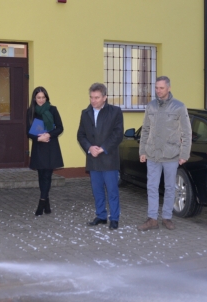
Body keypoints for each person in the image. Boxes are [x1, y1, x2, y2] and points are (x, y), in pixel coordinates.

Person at [137, 76, 192, 231]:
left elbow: (187, 132)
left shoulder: (179, 107)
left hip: (171, 155)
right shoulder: (151, 106)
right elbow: (145, 130)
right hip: (152, 154)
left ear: (169, 88)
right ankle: (152, 219)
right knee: (152, 187)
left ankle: (167, 217)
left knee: (170, 188)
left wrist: (184, 154)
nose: (158, 91)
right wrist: (142, 151)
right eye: (156, 88)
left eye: (161, 88)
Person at [77, 82, 124, 229]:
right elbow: (81, 135)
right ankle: (101, 216)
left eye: (97, 97)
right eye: (91, 97)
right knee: (97, 190)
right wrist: (89, 148)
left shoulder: (115, 112)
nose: (93, 100)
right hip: (93, 158)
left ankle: (114, 218)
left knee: (112, 191)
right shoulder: (85, 113)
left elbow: (118, 134)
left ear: (105, 97)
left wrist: (103, 148)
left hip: (109, 158)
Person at [27, 86, 64, 216]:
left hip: (50, 146)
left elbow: (60, 128)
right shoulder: (30, 111)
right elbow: (28, 131)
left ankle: (41, 203)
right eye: (38, 97)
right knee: (41, 176)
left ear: (47, 98)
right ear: (34, 98)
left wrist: (48, 135)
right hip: (38, 147)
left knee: (47, 175)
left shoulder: (53, 110)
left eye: (43, 97)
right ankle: (46, 203)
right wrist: (38, 138)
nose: (41, 100)